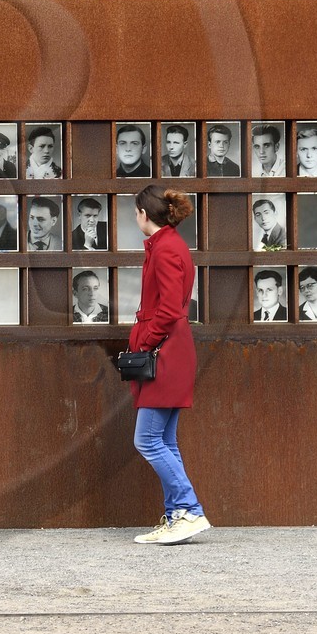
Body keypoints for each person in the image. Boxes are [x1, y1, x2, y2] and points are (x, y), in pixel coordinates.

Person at [127, 185, 209, 546]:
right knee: (164, 440)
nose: (135, 217)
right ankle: (178, 516)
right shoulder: (169, 245)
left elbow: (170, 308)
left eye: (135, 212)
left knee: (146, 440)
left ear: (145, 214)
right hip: (171, 351)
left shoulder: (165, 249)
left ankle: (189, 510)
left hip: (165, 353)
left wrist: (145, 341)